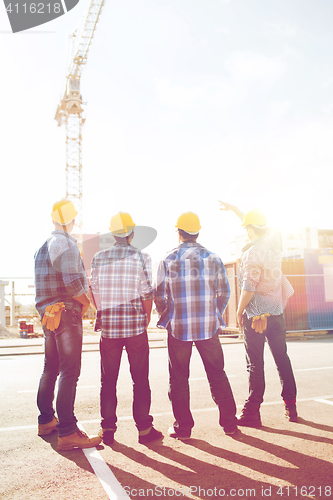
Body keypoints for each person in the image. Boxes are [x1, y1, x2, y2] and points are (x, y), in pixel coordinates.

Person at [154, 212, 237, 440]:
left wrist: (168, 316)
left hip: (178, 328)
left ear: (178, 232)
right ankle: (230, 423)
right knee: (217, 374)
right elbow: (224, 293)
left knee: (179, 378)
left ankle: (183, 428)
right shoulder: (213, 258)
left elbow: (159, 296)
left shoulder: (168, 259)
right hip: (208, 328)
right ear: (198, 232)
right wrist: (214, 314)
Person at [219, 201, 298, 427]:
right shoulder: (274, 245)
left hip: (256, 319)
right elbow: (256, 224)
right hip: (276, 315)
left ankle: (252, 412)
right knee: (282, 360)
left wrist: (239, 309)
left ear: (249, 229)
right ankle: (291, 406)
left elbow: (248, 287)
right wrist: (235, 210)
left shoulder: (252, 253)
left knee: (255, 364)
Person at [90, 212, 162, 445]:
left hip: (109, 330)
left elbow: (95, 292)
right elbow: (146, 291)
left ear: (113, 233)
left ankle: (108, 429)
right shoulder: (142, 256)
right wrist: (146, 316)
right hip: (134, 329)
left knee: (108, 381)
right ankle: (144, 429)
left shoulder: (99, 258)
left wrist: (102, 313)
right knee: (140, 379)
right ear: (131, 233)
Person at [35, 198, 101, 450]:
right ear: (73, 221)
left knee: (50, 368)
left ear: (52, 218)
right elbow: (74, 285)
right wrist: (88, 305)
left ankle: (46, 421)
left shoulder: (41, 248)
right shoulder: (68, 244)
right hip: (66, 313)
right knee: (69, 372)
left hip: (48, 315)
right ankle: (68, 432)